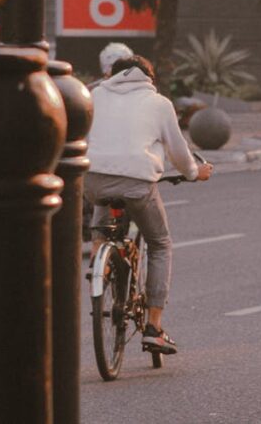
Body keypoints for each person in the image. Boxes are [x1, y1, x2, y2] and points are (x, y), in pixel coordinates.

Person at [85, 55, 214, 355]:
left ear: (112, 75)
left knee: (103, 209)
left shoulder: (93, 96)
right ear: (149, 79)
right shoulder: (159, 103)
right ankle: (154, 328)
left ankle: (99, 258)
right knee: (159, 243)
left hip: (92, 180)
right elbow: (179, 153)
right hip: (137, 183)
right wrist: (195, 173)